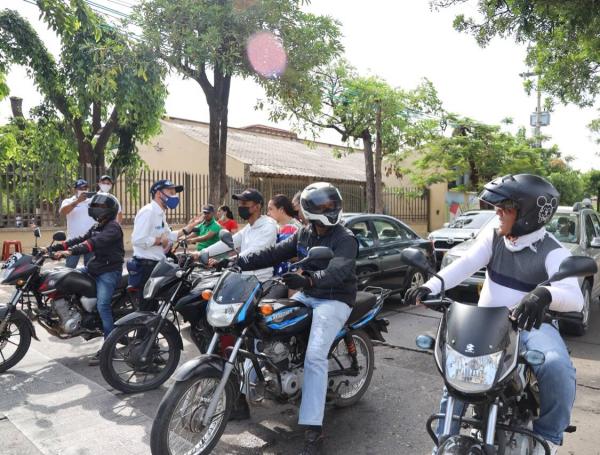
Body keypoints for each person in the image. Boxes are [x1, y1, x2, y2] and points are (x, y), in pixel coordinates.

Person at [405, 174, 584, 455]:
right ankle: (442, 443)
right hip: (488, 324)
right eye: (497, 208)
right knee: (457, 375)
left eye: (505, 208)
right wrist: (432, 284)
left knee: (556, 366)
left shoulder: (553, 252)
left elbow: (575, 299)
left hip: (532, 328)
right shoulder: (495, 237)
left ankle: (547, 436)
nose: (497, 213)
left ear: (527, 214)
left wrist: (545, 294)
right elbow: (465, 264)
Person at [231, 182, 358, 455]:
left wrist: (307, 279)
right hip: (307, 294)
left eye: (331, 204)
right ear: (310, 213)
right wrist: (238, 261)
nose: (329, 209)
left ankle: (314, 431)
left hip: (334, 299)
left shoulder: (345, 238)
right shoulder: (304, 234)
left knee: (314, 356)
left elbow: (338, 270)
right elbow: (272, 253)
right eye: (323, 206)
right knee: (264, 326)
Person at [46, 193, 124, 365]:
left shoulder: (113, 227)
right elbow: (82, 238)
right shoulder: (98, 225)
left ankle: (110, 349)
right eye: (95, 205)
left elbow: (93, 243)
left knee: (103, 305)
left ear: (110, 210)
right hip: (94, 268)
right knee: (67, 279)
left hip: (109, 271)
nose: (95, 209)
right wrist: (60, 246)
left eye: (101, 207)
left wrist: (71, 252)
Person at [130, 179, 201, 309]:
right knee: (147, 311)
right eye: (171, 192)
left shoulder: (160, 214)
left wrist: (188, 228)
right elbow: (137, 239)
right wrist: (158, 241)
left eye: (175, 192)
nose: (174, 196)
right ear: (158, 194)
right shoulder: (148, 212)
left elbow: (169, 237)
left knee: (154, 308)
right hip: (146, 266)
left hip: (156, 265)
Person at [193, 188, 277, 282]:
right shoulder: (249, 227)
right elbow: (229, 242)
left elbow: (254, 251)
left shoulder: (268, 226)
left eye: (244, 204)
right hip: (242, 276)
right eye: (240, 203)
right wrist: (200, 253)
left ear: (257, 207)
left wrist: (229, 260)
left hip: (260, 280)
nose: (240, 206)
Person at [59, 179, 95, 268]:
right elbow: (63, 212)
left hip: (90, 240)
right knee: (69, 268)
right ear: (75, 190)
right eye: (81, 188)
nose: (83, 190)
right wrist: (77, 201)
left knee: (90, 269)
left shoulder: (93, 201)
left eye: (85, 188)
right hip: (73, 241)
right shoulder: (68, 201)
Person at [267, 194, 302, 276]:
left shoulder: (295, 228)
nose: (268, 213)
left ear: (281, 210)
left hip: (290, 276)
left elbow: (300, 254)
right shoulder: (275, 227)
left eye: (271, 209)